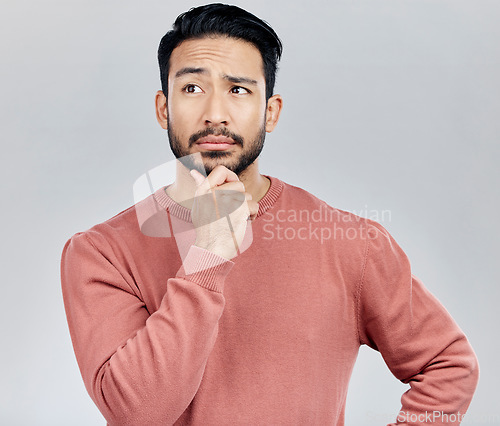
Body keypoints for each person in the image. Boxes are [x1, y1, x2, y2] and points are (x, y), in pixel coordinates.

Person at [60, 4, 479, 425]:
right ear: (163, 108)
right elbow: (136, 413)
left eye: (238, 90)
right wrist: (207, 259)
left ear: (271, 112)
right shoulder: (101, 253)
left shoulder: (351, 242)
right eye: (191, 89)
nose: (215, 113)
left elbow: (448, 364)